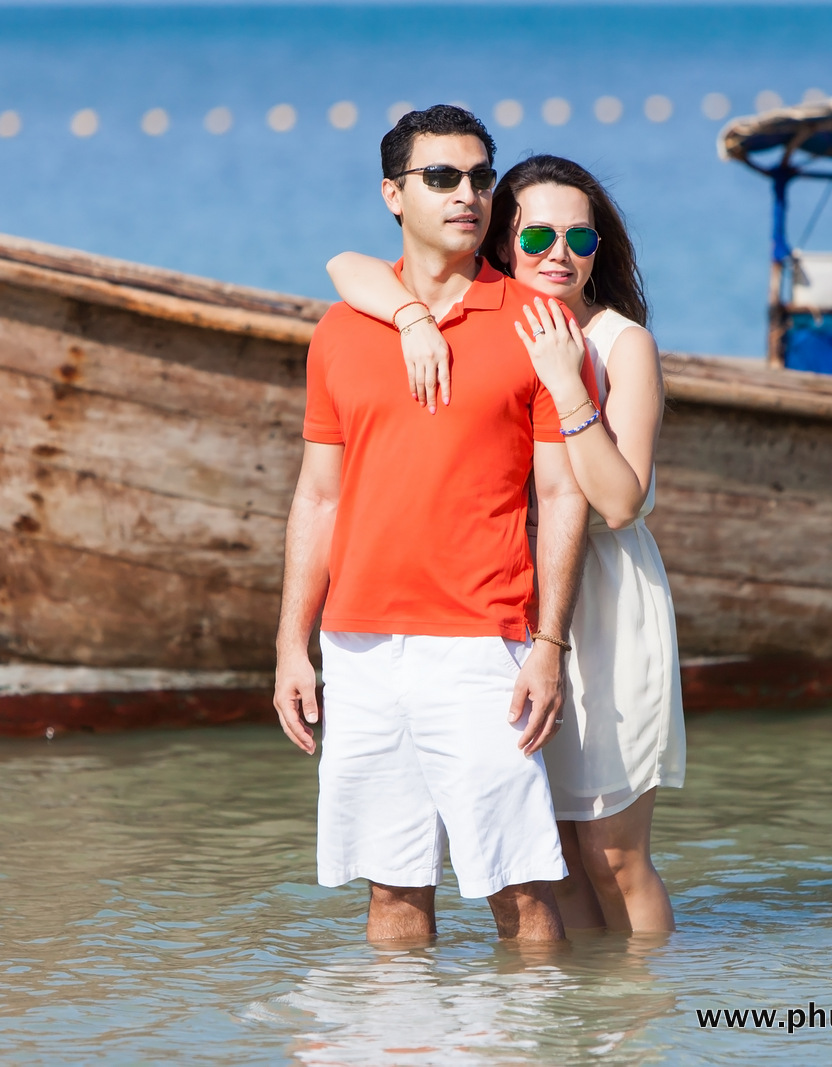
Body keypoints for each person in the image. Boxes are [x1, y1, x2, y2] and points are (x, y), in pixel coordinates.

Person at [326, 154, 685, 934]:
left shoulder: (619, 344)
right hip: (509, 600)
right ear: (499, 240)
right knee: (544, 850)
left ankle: (650, 1017)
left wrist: (563, 382)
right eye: (540, 234)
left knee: (612, 854)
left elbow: (619, 502)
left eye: (581, 236)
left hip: (603, 608)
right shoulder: (493, 320)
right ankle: (580, 1032)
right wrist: (413, 316)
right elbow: (345, 264)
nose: (562, 252)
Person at [274, 108, 592, 944]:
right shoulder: (343, 329)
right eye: (442, 177)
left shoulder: (539, 324)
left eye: (482, 178)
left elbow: (564, 497)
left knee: (522, 896)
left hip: (482, 644)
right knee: (392, 896)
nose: (468, 195)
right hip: (360, 650)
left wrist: (548, 646)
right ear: (393, 194)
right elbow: (317, 498)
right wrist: (290, 645)